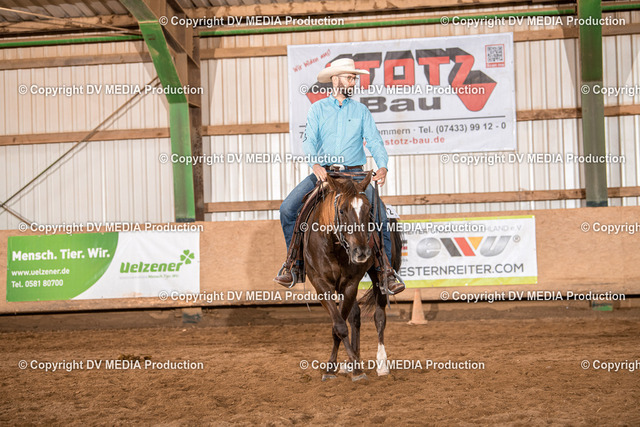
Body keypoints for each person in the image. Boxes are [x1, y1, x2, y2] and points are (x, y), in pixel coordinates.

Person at [274, 57, 405, 295]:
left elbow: (374, 141)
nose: (353, 82)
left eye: (354, 78)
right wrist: (315, 164)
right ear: (335, 80)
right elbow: (309, 140)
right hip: (326, 173)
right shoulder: (318, 109)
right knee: (287, 209)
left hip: (355, 174)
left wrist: (383, 166)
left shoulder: (361, 111)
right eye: (349, 77)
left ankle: (386, 271)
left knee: (381, 216)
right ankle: (294, 263)